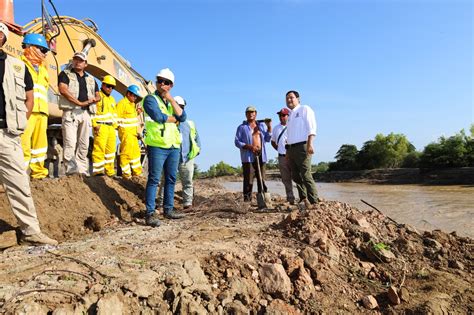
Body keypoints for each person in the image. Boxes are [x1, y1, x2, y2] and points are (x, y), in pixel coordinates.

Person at [0, 23, 57, 245]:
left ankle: (31, 232)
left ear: (4, 38)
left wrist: (20, 122)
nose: (43, 54)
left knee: (19, 185)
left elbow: (29, 97)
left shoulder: (17, 66)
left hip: (8, 133)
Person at [143, 68, 187, 227]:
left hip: (173, 145)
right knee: (154, 179)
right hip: (157, 145)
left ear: (171, 86)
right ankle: (150, 213)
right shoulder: (150, 99)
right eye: (160, 80)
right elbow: (157, 117)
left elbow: (182, 117)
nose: (162, 84)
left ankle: (168, 209)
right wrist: (173, 119)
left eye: (166, 82)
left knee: (171, 179)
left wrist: (172, 101)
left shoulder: (169, 102)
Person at [19, 34, 50, 179]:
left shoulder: (44, 70)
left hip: (42, 111)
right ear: (30, 47)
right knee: (23, 143)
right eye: (42, 49)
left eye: (45, 51)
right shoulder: (19, 64)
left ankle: (38, 173)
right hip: (26, 109)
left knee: (40, 146)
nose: (44, 53)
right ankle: (20, 175)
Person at [285, 90, 318, 208]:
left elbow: (311, 128)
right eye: (287, 98)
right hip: (292, 148)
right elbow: (289, 135)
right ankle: (303, 199)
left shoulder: (304, 109)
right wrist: (287, 151)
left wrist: (310, 144)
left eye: (291, 97)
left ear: (298, 99)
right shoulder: (289, 116)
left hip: (303, 146)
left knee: (306, 174)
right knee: (295, 176)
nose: (289, 100)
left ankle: (314, 201)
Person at [234, 106, 271, 202]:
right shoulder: (241, 127)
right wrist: (250, 147)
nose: (251, 114)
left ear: (256, 114)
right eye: (248, 112)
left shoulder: (261, 126)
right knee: (248, 180)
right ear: (246, 114)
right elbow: (237, 142)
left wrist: (269, 127)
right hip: (248, 157)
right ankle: (247, 201)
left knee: (261, 179)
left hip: (261, 156)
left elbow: (267, 139)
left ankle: (262, 200)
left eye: (252, 112)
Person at [175, 96, 201, 209]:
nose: (180, 109)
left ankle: (187, 203)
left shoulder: (189, 123)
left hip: (186, 157)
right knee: (167, 181)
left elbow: (197, 138)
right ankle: (162, 203)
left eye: (181, 107)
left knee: (187, 181)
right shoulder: (167, 121)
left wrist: (197, 150)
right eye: (178, 107)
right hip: (171, 156)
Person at [91, 75, 117, 176]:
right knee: (99, 149)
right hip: (100, 127)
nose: (110, 88)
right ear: (103, 84)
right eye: (108, 86)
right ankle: (98, 171)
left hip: (110, 128)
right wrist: (94, 125)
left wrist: (115, 128)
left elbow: (115, 115)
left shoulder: (112, 100)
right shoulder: (98, 96)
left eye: (112, 87)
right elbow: (92, 111)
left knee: (111, 152)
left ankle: (109, 172)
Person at [116, 84, 143, 178]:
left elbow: (129, 117)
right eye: (133, 95)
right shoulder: (122, 103)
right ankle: (126, 175)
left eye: (136, 96)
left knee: (136, 154)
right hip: (126, 133)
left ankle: (137, 174)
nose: (135, 97)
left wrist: (137, 112)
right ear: (128, 93)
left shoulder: (132, 105)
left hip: (133, 134)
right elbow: (116, 117)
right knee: (126, 154)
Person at [271, 107, 295, 204]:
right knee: (286, 179)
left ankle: (303, 197)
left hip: (293, 156)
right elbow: (273, 141)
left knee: (297, 177)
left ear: (288, 116)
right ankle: (290, 198)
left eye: (284, 115)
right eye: (280, 115)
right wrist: (279, 149)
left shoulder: (293, 126)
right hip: (282, 157)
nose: (282, 117)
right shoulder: (276, 128)